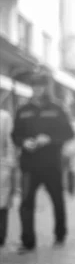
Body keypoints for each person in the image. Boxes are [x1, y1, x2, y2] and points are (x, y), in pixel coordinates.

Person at [11, 71, 75, 253]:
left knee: (57, 200)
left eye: (40, 86)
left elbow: (69, 133)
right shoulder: (23, 110)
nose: (37, 89)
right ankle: (27, 241)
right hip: (29, 164)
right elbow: (15, 135)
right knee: (26, 202)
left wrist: (49, 139)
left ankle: (60, 234)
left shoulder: (57, 109)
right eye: (34, 86)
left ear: (46, 88)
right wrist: (24, 142)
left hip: (51, 164)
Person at [0, 104, 17, 248]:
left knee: (2, 202)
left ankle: (1, 235)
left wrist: (9, 164)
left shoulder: (4, 117)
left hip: (1, 166)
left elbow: (10, 143)